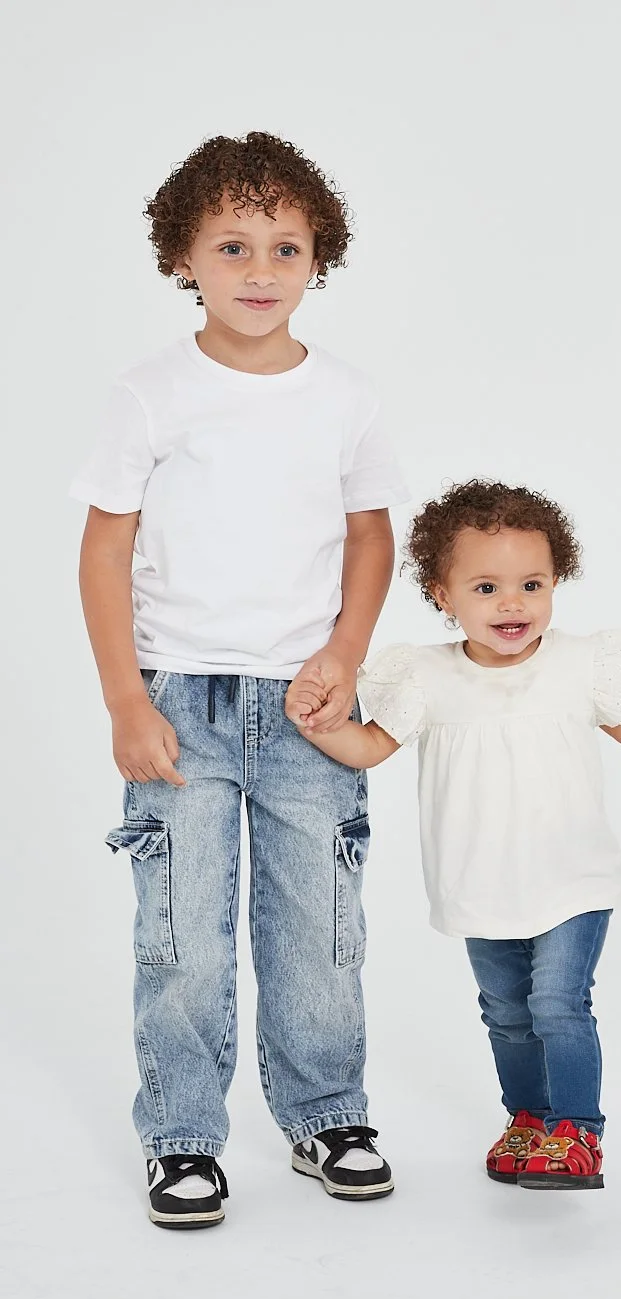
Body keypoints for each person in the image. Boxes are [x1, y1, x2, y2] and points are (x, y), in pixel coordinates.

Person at [71, 131, 408, 1229]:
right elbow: (105, 547)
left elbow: (369, 535)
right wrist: (127, 696)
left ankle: (327, 1113)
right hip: (181, 698)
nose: (260, 270)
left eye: (286, 246)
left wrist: (347, 653)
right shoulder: (151, 393)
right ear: (185, 259)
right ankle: (182, 1137)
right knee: (179, 929)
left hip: (310, 706)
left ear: (320, 258)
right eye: (232, 245)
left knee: (318, 922)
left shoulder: (346, 396)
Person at [286, 479, 621, 1189]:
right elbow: (371, 747)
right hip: (480, 880)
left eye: (532, 584)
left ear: (557, 582)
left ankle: (578, 1133)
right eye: (487, 587)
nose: (513, 604)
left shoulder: (577, 663)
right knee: (506, 1012)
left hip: (571, 876)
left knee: (559, 1002)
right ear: (442, 593)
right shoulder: (427, 676)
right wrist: (320, 722)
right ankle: (528, 1118)